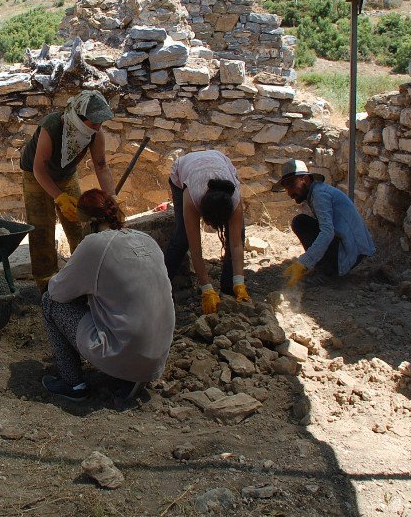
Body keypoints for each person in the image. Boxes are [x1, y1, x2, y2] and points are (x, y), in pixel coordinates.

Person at [40, 189, 175, 402]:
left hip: (125, 352)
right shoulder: (146, 239)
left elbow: (57, 291)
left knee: (49, 302)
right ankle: (130, 376)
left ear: (88, 222)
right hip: (156, 357)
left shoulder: (94, 244)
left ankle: (73, 384)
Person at [19, 90, 117, 293]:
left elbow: (101, 165)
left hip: (66, 175)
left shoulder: (95, 133)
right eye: (94, 122)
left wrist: (112, 199)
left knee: (80, 224)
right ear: (79, 118)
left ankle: (82, 277)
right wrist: (60, 197)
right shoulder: (52, 126)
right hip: (35, 175)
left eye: (101, 122)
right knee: (41, 229)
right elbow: (39, 169)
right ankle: (46, 286)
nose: (98, 127)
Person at [163, 150, 250, 314]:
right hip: (185, 170)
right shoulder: (192, 198)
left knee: (238, 233)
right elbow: (196, 251)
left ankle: (231, 286)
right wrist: (207, 289)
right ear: (202, 213)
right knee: (183, 238)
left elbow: (236, 244)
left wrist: (239, 281)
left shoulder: (234, 199)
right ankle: (161, 286)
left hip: (218, 161)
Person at [275, 159, 376, 287]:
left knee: (300, 223)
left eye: (291, 185)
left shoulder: (320, 195)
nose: (289, 193)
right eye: (286, 188)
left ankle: (326, 272)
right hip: (352, 246)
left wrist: (303, 263)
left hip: (351, 249)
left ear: (305, 180)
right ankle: (323, 267)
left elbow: (327, 232)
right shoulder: (317, 192)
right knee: (302, 222)